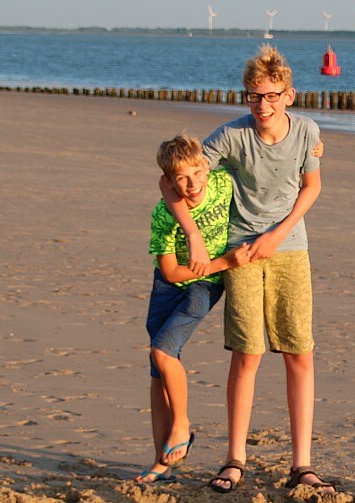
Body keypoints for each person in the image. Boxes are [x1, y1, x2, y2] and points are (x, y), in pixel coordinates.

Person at [161, 44, 333, 494]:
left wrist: (279, 234)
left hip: (290, 251)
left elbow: (312, 186)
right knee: (247, 355)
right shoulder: (231, 137)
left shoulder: (307, 132)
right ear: (246, 97)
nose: (264, 104)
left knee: (299, 353)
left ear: (289, 96)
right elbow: (173, 177)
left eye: (272, 95)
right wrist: (193, 235)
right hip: (241, 254)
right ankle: (235, 459)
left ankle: (303, 465)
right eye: (255, 96)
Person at [136, 134, 251, 484]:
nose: (192, 184)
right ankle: (162, 462)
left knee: (162, 352)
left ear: (206, 167)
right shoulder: (163, 215)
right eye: (181, 179)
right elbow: (170, 271)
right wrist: (225, 262)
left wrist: (314, 148)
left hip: (203, 286)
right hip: (169, 286)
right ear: (169, 182)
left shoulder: (221, 181)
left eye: (197, 173)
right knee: (158, 368)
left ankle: (183, 426)